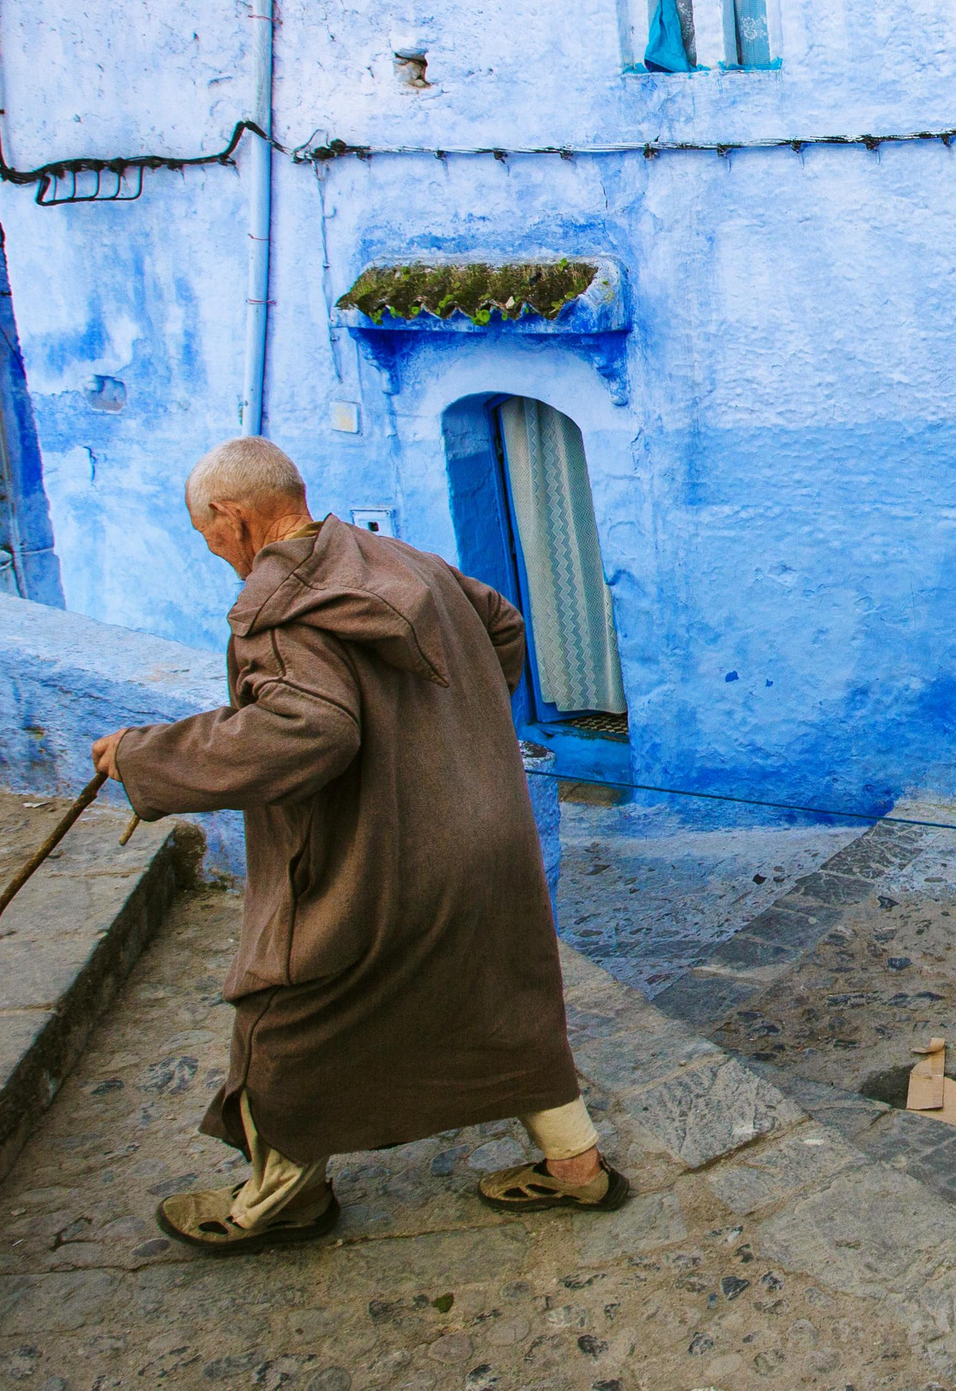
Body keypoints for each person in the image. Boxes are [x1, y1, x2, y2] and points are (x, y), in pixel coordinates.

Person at [93, 436, 625, 1252]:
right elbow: (500, 624)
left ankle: (279, 1200)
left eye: (207, 534)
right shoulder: (399, 560)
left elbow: (310, 732)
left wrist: (143, 757)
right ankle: (577, 1170)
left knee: (286, 1010)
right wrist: (455, 742)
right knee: (507, 1000)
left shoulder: (278, 611)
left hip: (392, 856)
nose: (213, 552)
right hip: (487, 832)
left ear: (232, 518)